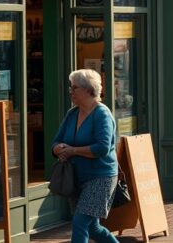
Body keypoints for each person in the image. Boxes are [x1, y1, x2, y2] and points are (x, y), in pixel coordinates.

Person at [52, 69, 119, 243]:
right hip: (76, 177)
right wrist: (59, 149)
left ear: (88, 90)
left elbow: (102, 148)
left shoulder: (102, 114)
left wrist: (72, 150)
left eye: (75, 88)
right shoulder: (72, 113)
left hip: (100, 177)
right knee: (93, 228)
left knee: (80, 222)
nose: (71, 91)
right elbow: (56, 141)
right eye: (70, 87)